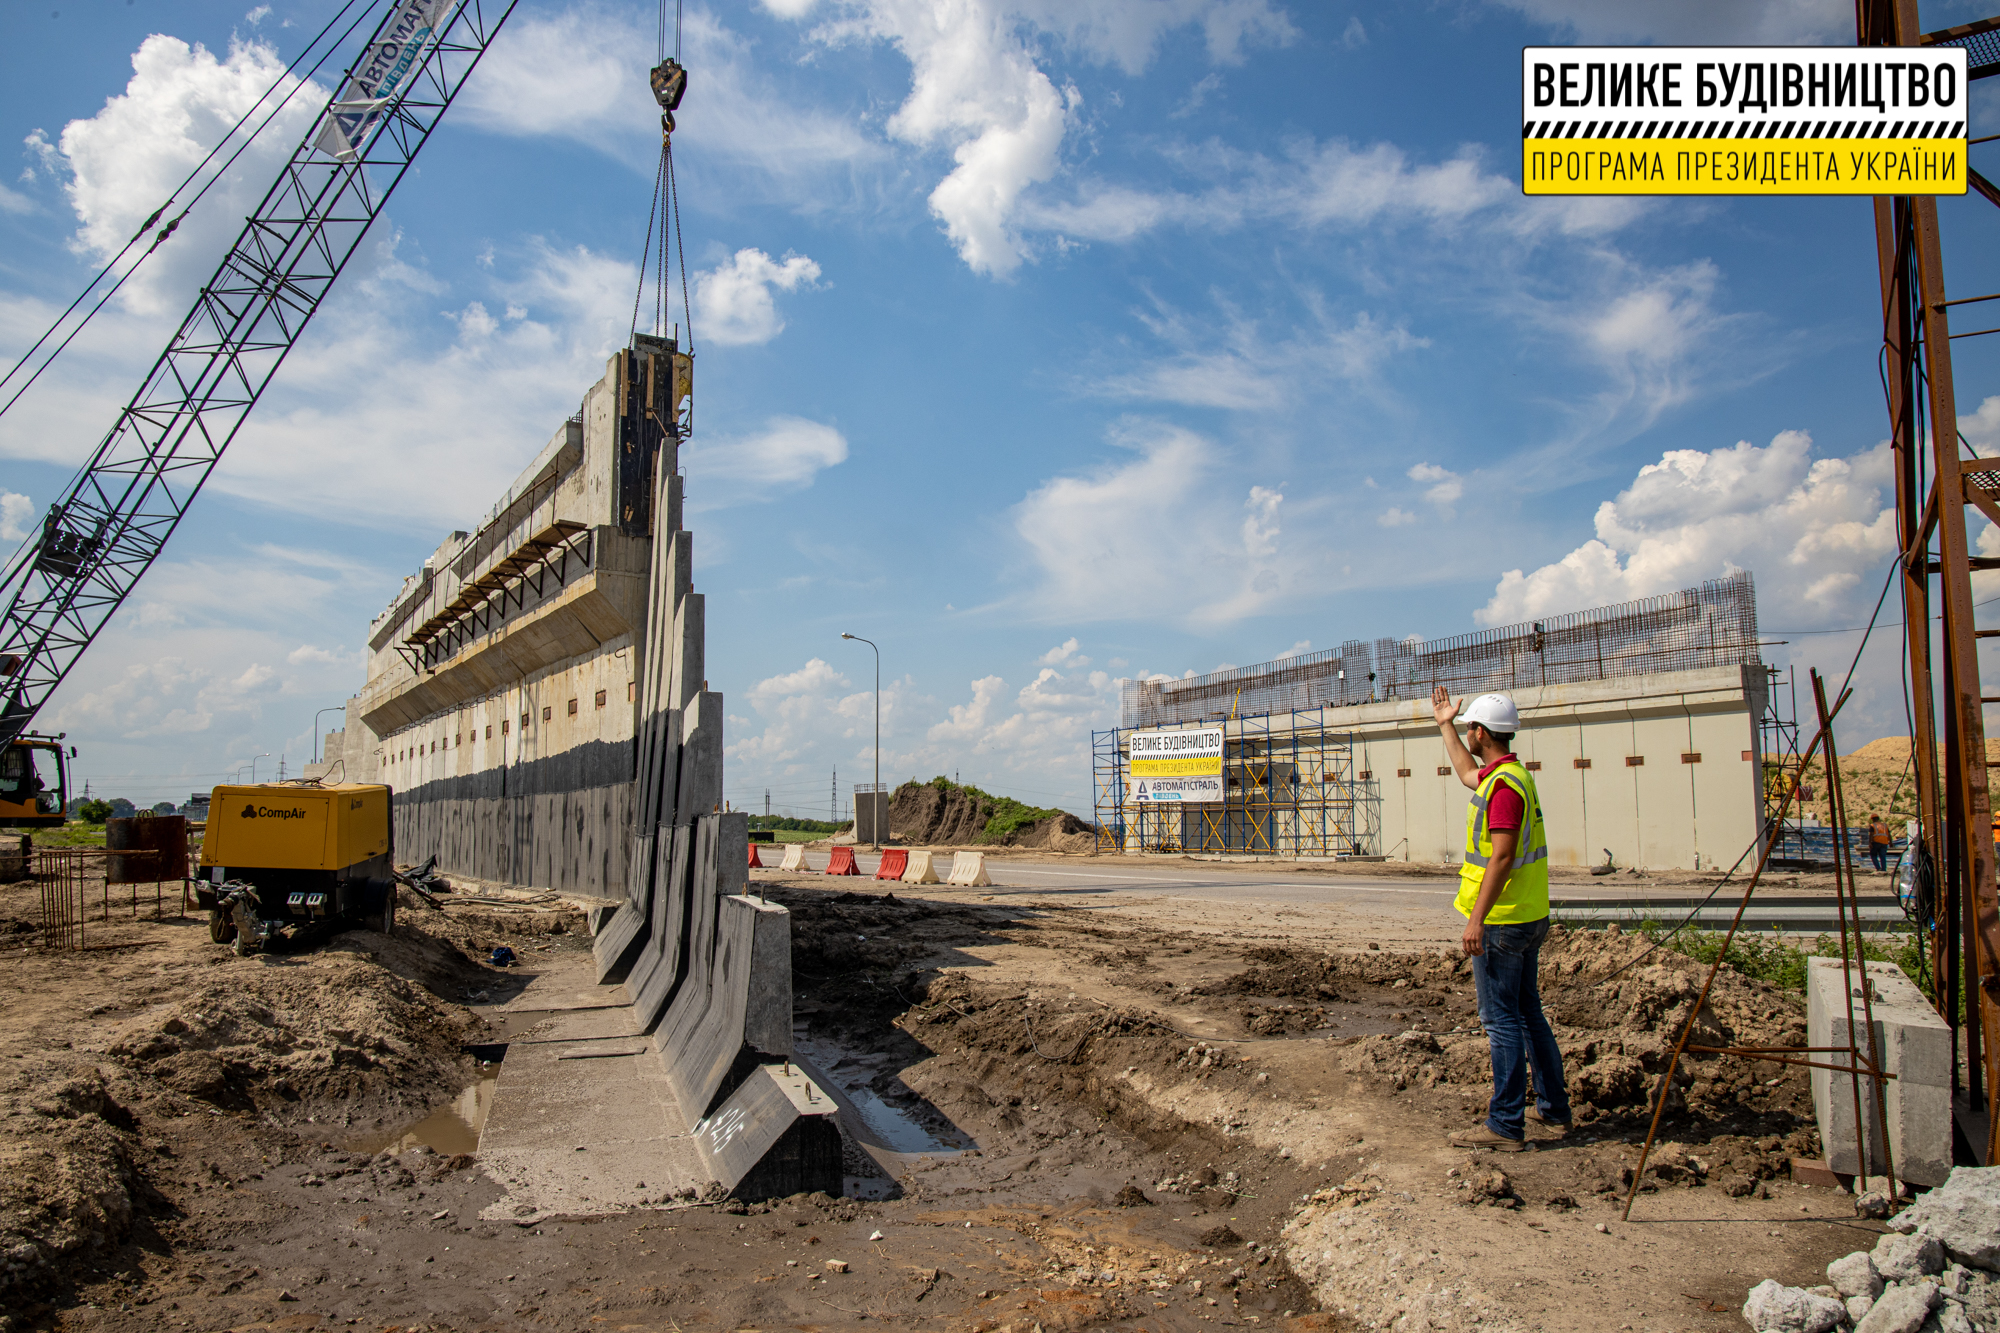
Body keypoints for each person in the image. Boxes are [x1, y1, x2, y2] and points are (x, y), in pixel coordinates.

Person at [1432, 685, 1568, 1151]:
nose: (1467, 733)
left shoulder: (1505, 788)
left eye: (1470, 726)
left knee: (1501, 1021)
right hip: (1527, 914)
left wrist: (1477, 920)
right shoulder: (1507, 775)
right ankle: (1554, 1108)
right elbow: (1467, 773)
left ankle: (1506, 1124)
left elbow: (1503, 857)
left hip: (1504, 921)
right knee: (1528, 1013)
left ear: (1484, 732)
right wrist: (1444, 724)